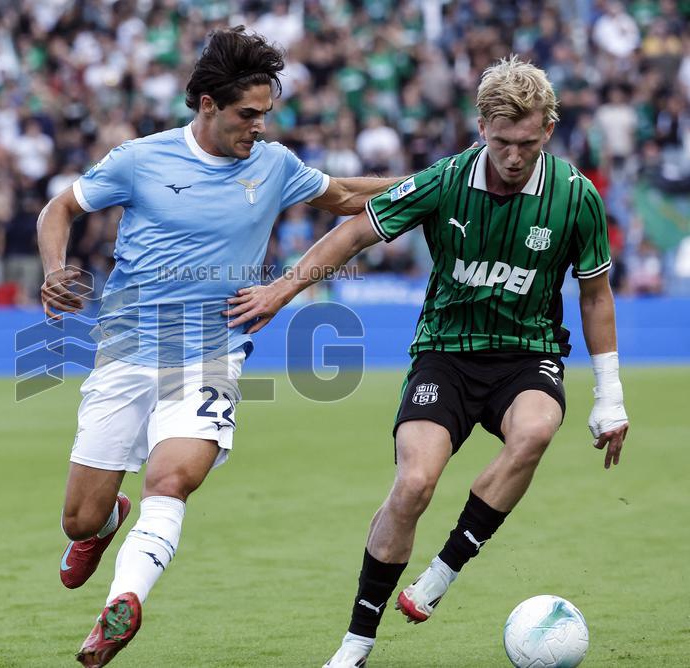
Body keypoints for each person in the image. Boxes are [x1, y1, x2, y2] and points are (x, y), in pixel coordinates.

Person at [225, 56, 630, 667]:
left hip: (529, 356)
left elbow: (595, 294)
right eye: (501, 143)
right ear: (480, 129)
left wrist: (611, 397)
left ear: (548, 129)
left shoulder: (576, 197)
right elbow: (355, 232)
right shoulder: (447, 179)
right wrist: (281, 292)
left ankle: (441, 573)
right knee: (413, 484)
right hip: (445, 354)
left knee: (536, 431)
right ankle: (356, 643)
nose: (514, 157)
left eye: (526, 143)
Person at [38, 26, 398, 668]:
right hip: (125, 349)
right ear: (207, 105)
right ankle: (105, 521)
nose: (258, 127)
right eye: (247, 115)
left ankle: (121, 607)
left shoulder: (275, 165)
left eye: (265, 114)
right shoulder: (139, 160)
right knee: (78, 520)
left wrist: (442, 178)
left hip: (212, 351)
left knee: (171, 478)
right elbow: (58, 210)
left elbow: (344, 196)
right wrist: (55, 269)